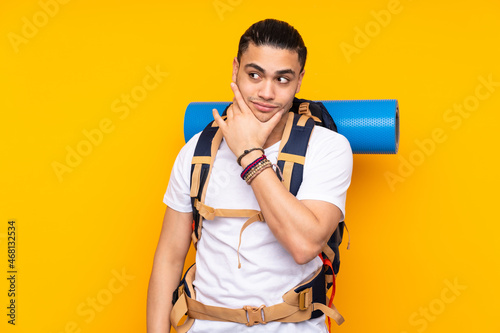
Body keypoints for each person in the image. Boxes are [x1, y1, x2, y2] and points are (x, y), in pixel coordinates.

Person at [147, 18, 353, 332]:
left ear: (299, 81)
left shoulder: (328, 148)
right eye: (254, 75)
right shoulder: (197, 151)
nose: (266, 92)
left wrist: (249, 153)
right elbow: (169, 259)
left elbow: (304, 246)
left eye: (282, 80)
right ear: (235, 70)